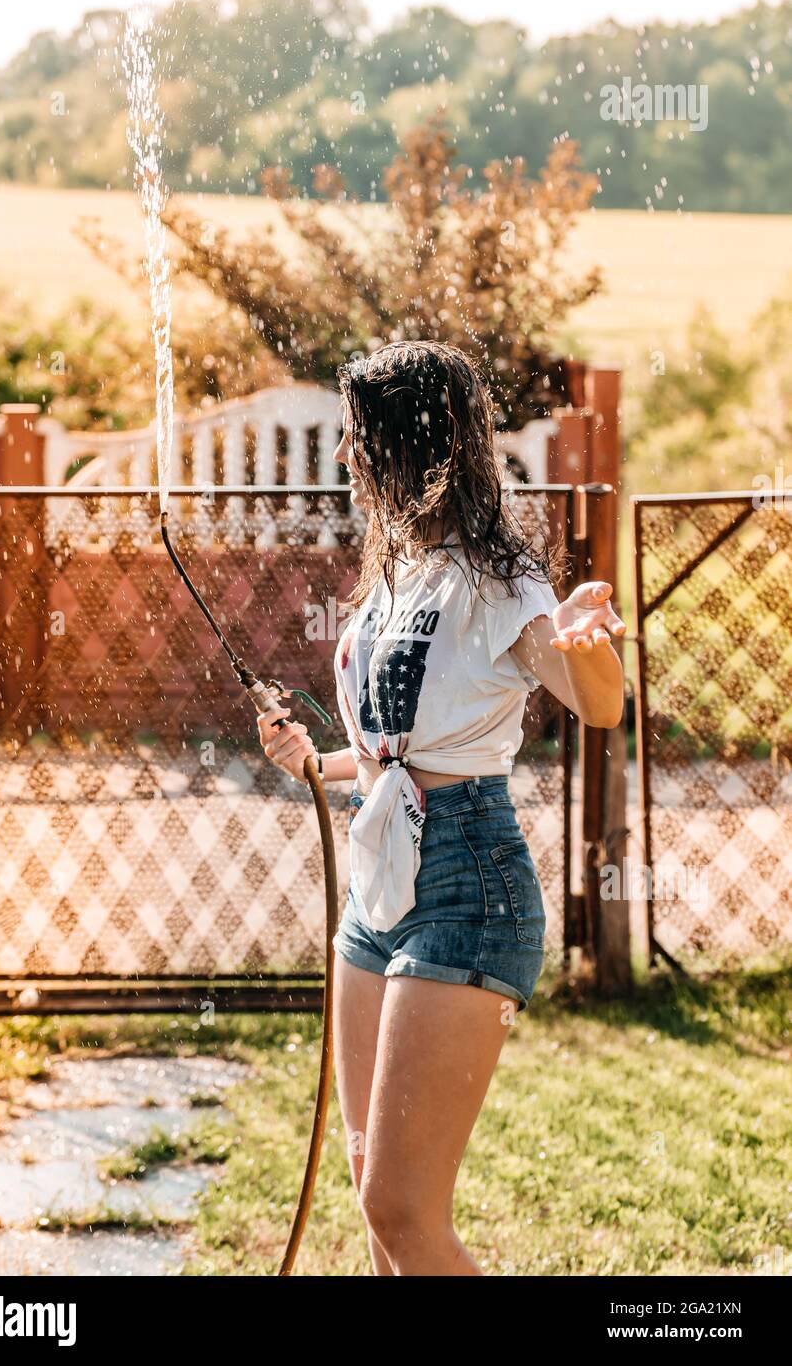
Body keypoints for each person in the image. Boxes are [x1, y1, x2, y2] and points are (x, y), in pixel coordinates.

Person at [257, 341, 625, 1276]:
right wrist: (317, 764)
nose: (343, 458)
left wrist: (586, 643)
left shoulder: (497, 578)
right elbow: (402, 752)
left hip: (470, 886)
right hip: (380, 889)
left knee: (401, 1205)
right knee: (373, 1191)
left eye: (355, 439)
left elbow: (599, 704)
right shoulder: (395, 577)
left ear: (403, 444)